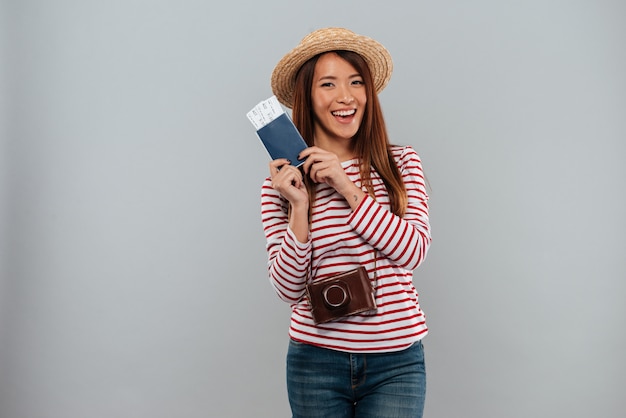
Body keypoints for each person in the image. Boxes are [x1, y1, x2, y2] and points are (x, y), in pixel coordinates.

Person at [261, 27, 432, 418]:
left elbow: (414, 252)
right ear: (307, 97)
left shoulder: (402, 163)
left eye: (356, 82)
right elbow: (288, 290)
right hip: (314, 362)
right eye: (328, 84)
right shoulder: (281, 186)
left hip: (397, 362)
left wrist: (346, 186)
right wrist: (299, 208)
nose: (346, 96)